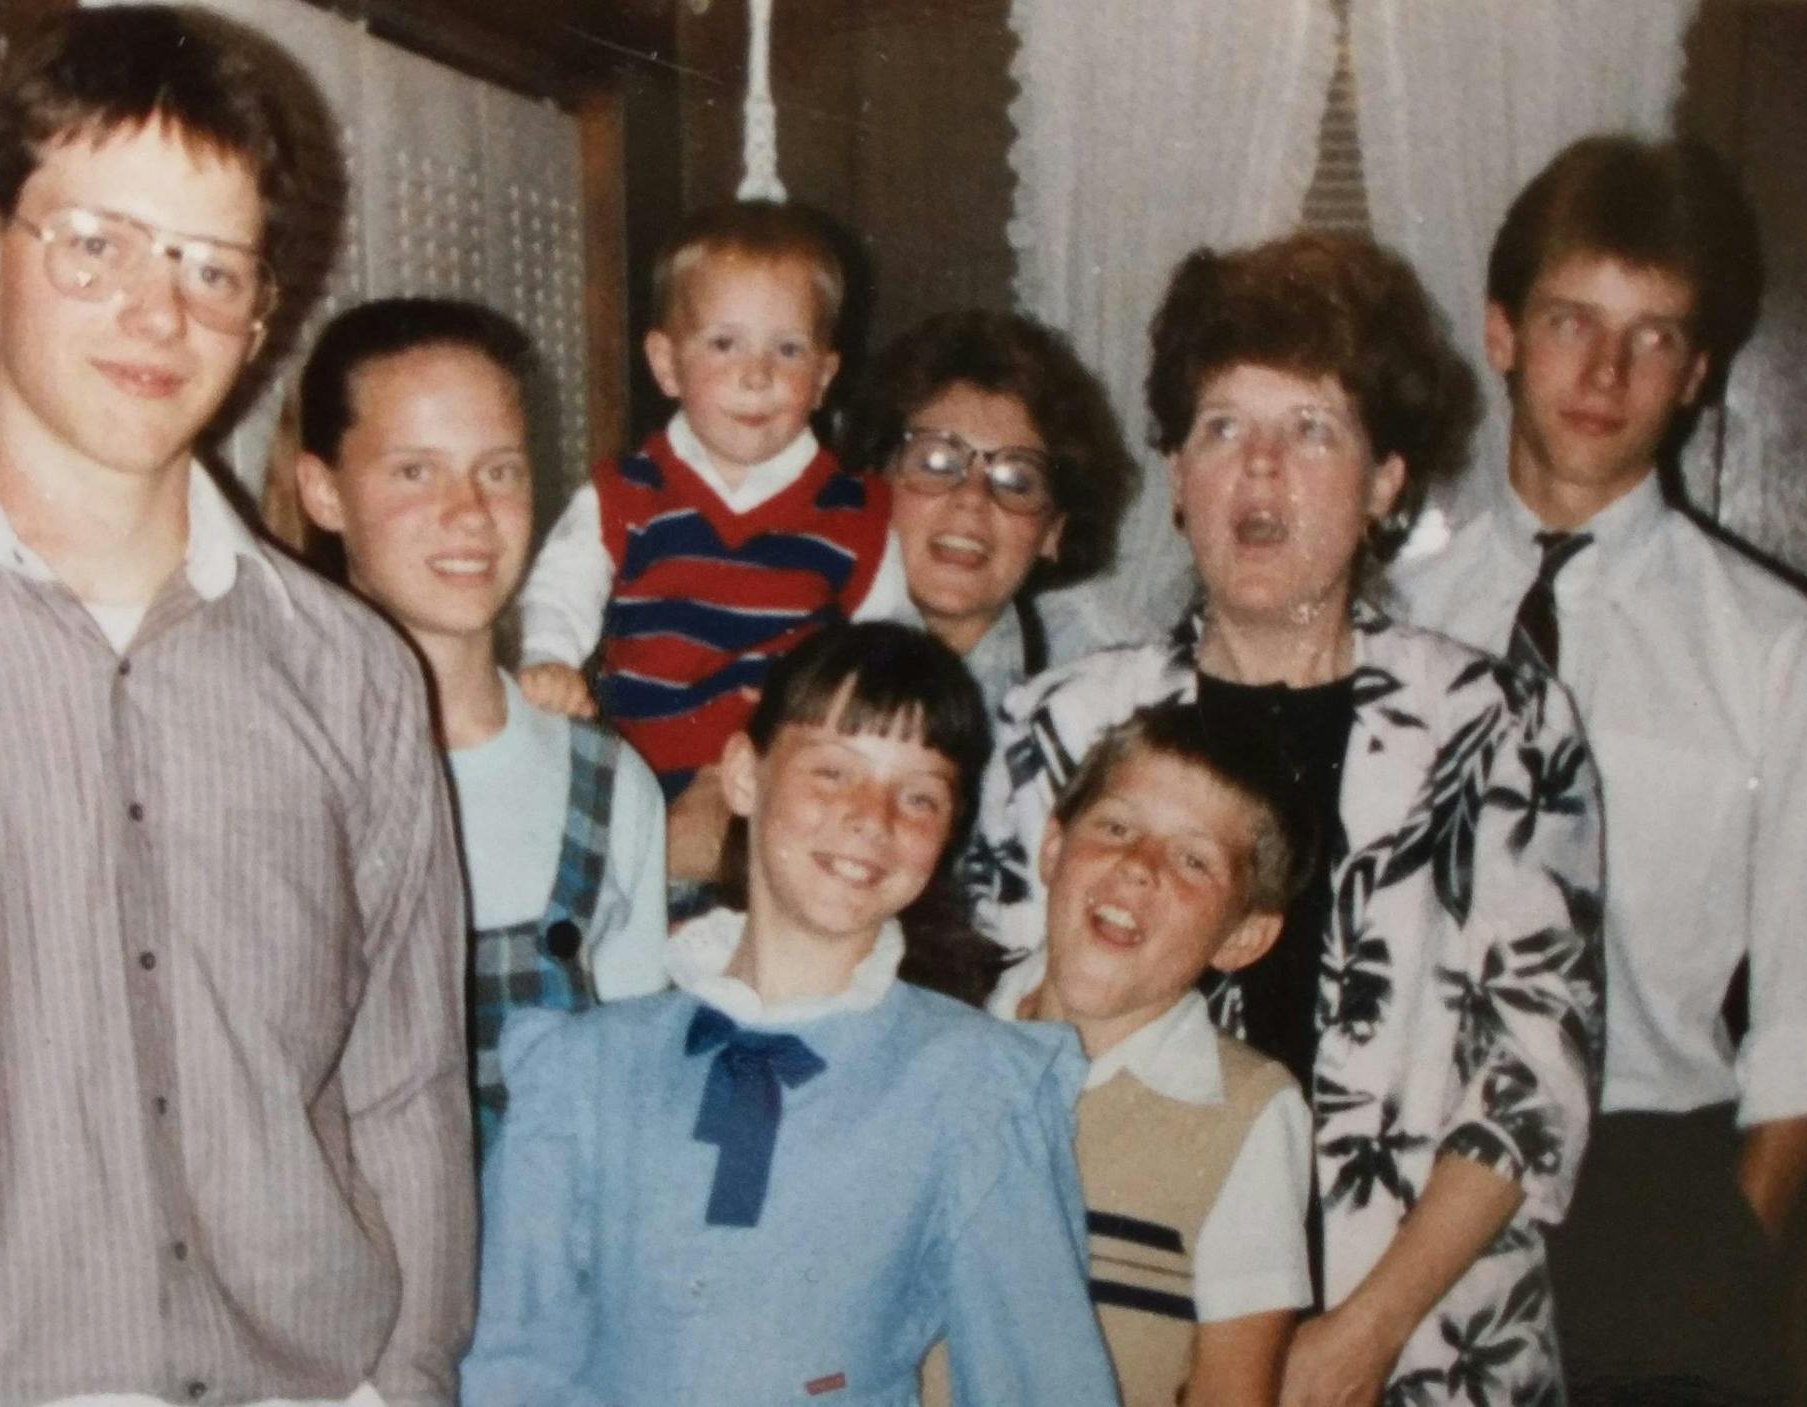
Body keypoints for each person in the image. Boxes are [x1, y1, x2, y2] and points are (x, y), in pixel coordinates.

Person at [0, 11, 473, 1406]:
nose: (159, 316)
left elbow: (407, 1086)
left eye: (210, 268)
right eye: (95, 245)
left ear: (260, 318)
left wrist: (406, 1384)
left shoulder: (354, 676)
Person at [968, 232, 1604, 1406]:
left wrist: (1364, 1333)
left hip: (1422, 1343)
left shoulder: (1496, 723)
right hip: (1114, 1335)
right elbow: (1002, 1041)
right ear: (1176, 474)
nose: (1260, 469)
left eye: (1311, 429)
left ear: (1385, 483)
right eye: (1222, 427)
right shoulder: (1066, 722)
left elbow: (1531, 1070)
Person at [1389, 135, 1807, 1405]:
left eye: (1652, 335)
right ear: (1502, 332)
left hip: (1650, 1206)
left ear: (1698, 371)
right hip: (1399, 1184)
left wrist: (1721, 1267)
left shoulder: (1777, 649)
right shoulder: (1393, 614)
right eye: (1572, 320)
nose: (1605, 373)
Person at [459, 621, 1120, 1407]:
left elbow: (1042, 1386)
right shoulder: (586, 1068)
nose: (872, 817)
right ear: (745, 775)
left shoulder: (977, 1087)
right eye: (833, 772)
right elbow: (508, 1368)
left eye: (918, 796)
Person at [270, 297, 669, 1150]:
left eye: (500, 470)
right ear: (324, 491)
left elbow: (640, 1099)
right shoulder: (276, 774)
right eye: (416, 471)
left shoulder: (605, 781)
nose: (470, 512)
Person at [926, 702, 1315, 1407]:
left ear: (1243, 937)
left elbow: (1231, 1391)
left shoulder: (1247, 1110)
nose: (1138, 866)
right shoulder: (933, 1035)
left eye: (1193, 859)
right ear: (1053, 847)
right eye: (1116, 827)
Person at [512, 199, 907, 802]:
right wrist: (550, 659)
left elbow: (891, 650)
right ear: (667, 364)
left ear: (824, 379)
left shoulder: (857, 515)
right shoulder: (625, 494)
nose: (757, 375)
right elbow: (562, 587)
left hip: (783, 790)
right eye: (725, 344)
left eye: (788, 350)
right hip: (636, 780)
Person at [840, 308, 1141, 712]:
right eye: (936, 462)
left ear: (1053, 529)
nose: (973, 497)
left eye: (1016, 481)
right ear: (872, 484)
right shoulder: (784, 633)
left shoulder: (1109, 686)